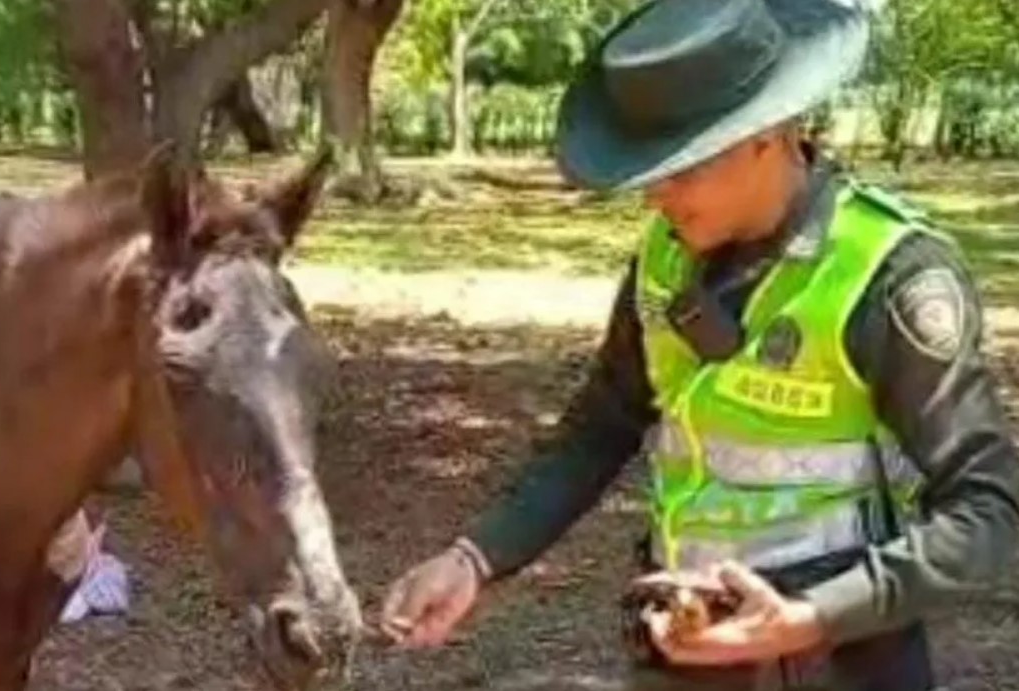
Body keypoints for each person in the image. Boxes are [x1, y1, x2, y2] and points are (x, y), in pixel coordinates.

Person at [378, 0, 1019, 689]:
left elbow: (989, 514)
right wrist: (476, 557)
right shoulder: (663, 259)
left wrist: (811, 614)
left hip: (843, 660)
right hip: (684, 649)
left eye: (683, 167)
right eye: (648, 169)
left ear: (766, 134)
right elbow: (603, 424)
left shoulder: (888, 277)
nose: (657, 197)